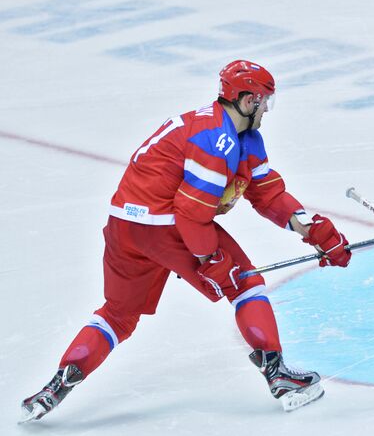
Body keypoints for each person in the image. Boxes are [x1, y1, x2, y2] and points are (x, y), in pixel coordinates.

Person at [20, 59, 352, 421]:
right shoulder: (217, 140)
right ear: (245, 100)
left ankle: (57, 385)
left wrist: (313, 230)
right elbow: (191, 213)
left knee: (117, 315)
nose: (266, 109)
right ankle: (279, 375)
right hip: (168, 226)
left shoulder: (233, 133)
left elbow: (268, 193)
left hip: (124, 227)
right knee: (245, 286)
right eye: (263, 100)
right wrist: (210, 258)